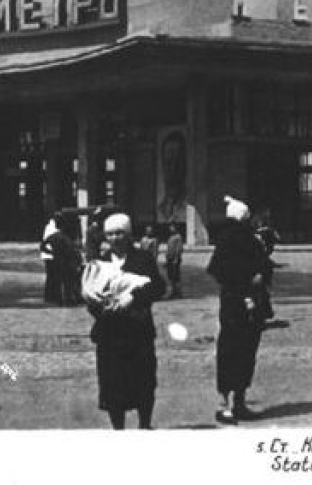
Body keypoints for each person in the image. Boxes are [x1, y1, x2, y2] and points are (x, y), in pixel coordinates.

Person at [82, 213, 165, 429]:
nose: (115, 238)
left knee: (143, 383)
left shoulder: (143, 259)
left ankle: (144, 426)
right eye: (110, 234)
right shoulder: (100, 262)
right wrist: (98, 305)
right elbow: (89, 291)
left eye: (119, 233)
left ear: (128, 234)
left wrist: (134, 298)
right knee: (113, 385)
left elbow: (158, 287)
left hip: (138, 332)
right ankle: (118, 430)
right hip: (110, 334)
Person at [207, 195, 269, 424]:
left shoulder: (227, 240)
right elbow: (263, 267)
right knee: (243, 351)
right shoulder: (246, 240)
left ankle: (229, 404)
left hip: (233, 303)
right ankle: (234, 402)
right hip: (243, 302)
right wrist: (250, 282)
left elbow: (216, 270)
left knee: (232, 350)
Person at [157, 131, 187, 223]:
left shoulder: (190, 207)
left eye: (177, 163)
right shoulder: (159, 209)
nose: (173, 170)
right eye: (168, 163)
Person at [164, 224, 184, 299]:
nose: (171, 229)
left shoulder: (178, 237)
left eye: (172, 227)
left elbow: (179, 249)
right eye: (170, 227)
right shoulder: (170, 237)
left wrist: (176, 258)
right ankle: (173, 291)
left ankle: (178, 293)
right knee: (171, 276)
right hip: (169, 259)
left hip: (174, 259)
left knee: (176, 276)